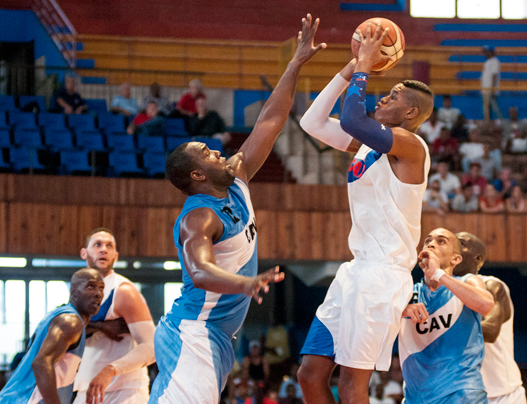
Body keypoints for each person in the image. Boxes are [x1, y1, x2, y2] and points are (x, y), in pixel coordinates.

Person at [149, 15, 325, 403]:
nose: (217, 149)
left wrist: (295, 64)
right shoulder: (200, 215)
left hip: (216, 336)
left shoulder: (237, 177)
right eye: (206, 152)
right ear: (197, 173)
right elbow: (199, 271)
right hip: (193, 330)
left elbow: (271, 122)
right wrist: (245, 284)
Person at [298, 22, 433, 404]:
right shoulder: (365, 144)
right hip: (355, 270)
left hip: (383, 276)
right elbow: (312, 122)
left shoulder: (410, 146)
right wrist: (351, 66)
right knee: (309, 375)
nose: (382, 97)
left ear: (409, 112)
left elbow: (355, 119)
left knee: (351, 385)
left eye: (391, 96)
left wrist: (365, 66)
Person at [399, 228, 494, 403]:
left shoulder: (468, 281)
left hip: (462, 392)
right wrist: (402, 310)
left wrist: (439, 274)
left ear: (456, 259)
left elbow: (486, 305)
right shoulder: (406, 292)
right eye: (428, 241)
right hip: (415, 397)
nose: (432, 244)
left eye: (441, 241)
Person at [74, 228, 155, 404]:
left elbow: (151, 347)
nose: (103, 249)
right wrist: (100, 327)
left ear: (116, 256)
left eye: (109, 246)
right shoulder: (78, 291)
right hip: (88, 387)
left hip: (124, 390)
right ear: (84, 253)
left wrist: (110, 370)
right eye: (97, 245)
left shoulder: (124, 291)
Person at [0, 268, 104, 404]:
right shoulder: (71, 322)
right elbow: (41, 363)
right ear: (73, 291)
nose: (98, 293)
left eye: (101, 288)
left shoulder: (61, 315)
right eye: (90, 287)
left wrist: (104, 327)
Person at [454, 232, 527, 404]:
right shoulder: (439, 292)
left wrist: (440, 328)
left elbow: (491, 331)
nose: (453, 247)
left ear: (477, 258)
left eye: (461, 244)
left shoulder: (492, 285)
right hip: (461, 393)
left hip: (501, 393)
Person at [481, 45, 502, 120]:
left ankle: (502, 122)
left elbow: (494, 76)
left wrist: (493, 90)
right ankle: (488, 123)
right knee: (486, 110)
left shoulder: (495, 61)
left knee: (495, 108)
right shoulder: (487, 62)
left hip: (490, 90)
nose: (485, 53)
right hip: (485, 90)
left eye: (487, 52)